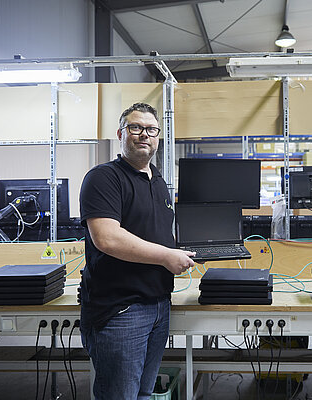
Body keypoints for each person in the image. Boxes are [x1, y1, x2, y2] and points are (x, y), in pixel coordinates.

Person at [79, 102, 195, 399]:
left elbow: (156, 234)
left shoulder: (158, 181)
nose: (144, 134)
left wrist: (182, 251)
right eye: (136, 127)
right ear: (121, 133)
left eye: (151, 129)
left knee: (144, 393)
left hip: (158, 304)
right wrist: (168, 256)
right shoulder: (104, 177)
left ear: (158, 137)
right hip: (121, 309)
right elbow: (107, 238)